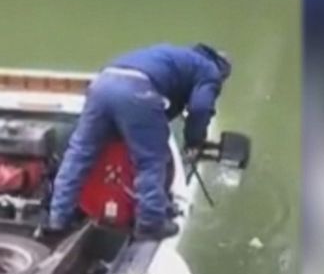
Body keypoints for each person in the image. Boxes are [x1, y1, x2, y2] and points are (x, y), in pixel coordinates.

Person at [49, 43, 232, 240]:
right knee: (151, 160)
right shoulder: (210, 71)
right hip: (136, 90)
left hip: (102, 83)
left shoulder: (177, 58)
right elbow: (201, 108)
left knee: (80, 153)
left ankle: (58, 218)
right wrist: (194, 141)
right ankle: (150, 223)